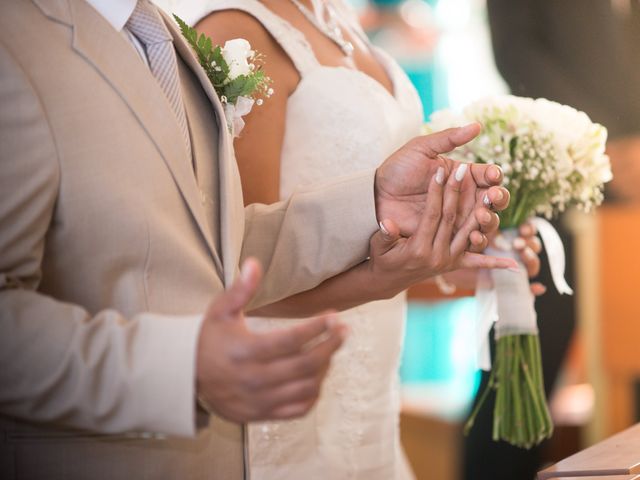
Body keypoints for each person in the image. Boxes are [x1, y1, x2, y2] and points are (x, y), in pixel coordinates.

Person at [0, 1, 512, 479]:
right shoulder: (15, 41)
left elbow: (213, 243)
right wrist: (183, 366)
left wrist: (373, 204)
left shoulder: (156, 30)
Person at [169, 1, 539, 478]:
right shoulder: (238, 34)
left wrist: (451, 265)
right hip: (289, 409)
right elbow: (240, 273)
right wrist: (382, 279)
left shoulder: (348, 27)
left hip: (373, 418)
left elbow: (367, 255)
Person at [463, 1, 640, 479]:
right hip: (554, 189)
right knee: (520, 378)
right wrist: (607, 144)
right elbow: (519, 52)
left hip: (636, 209)